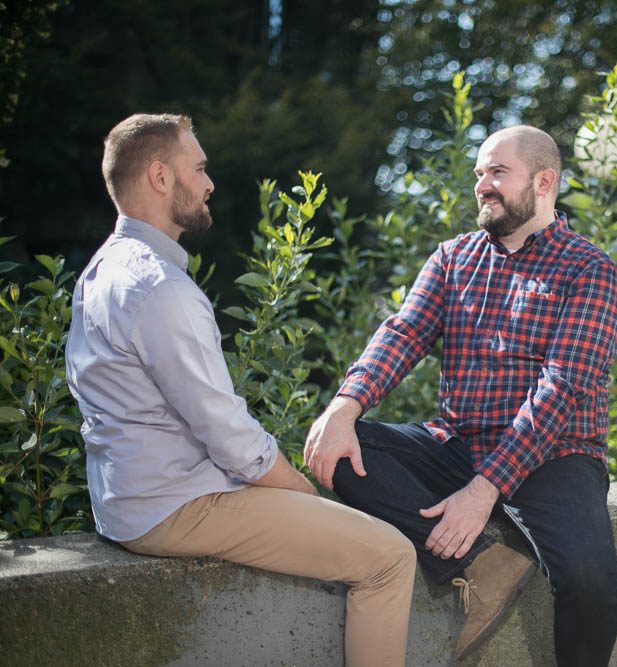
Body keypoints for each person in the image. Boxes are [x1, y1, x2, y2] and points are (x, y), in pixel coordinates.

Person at [66, 113, 416, 667]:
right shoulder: (159, 287)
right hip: (177, 506)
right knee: (389, 556)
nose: (209, 184)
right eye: (199, 168)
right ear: (160, 177)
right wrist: (301, 492)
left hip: (128, 500)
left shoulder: (100, 271)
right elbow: (227, 434)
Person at [305, 125, 617, 665]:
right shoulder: (454, 258)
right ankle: (484, 564)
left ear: (544, 182)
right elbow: (404, 333)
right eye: (479, 174)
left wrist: (484, 492)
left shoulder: (589, 270)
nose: (483, 185)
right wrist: (345, 405)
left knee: (593, 584)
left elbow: (560, 389)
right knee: (340, 449)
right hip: (457, 444)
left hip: (555, 456)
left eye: (498, 172)